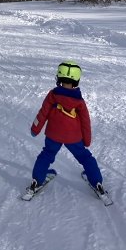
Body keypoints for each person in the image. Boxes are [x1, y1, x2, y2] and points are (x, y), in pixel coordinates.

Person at [25, 60, 105, 195]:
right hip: (73, 137)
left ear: (59, 77)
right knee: (85, 157)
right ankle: (97, 182)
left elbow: (43, 113)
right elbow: (85, 122)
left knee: (47, 154)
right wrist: (86, 140)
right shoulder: (79, 101)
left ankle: (36, 181)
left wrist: (35, 129)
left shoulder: (52, 95)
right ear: (77, 80)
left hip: (53, 135)